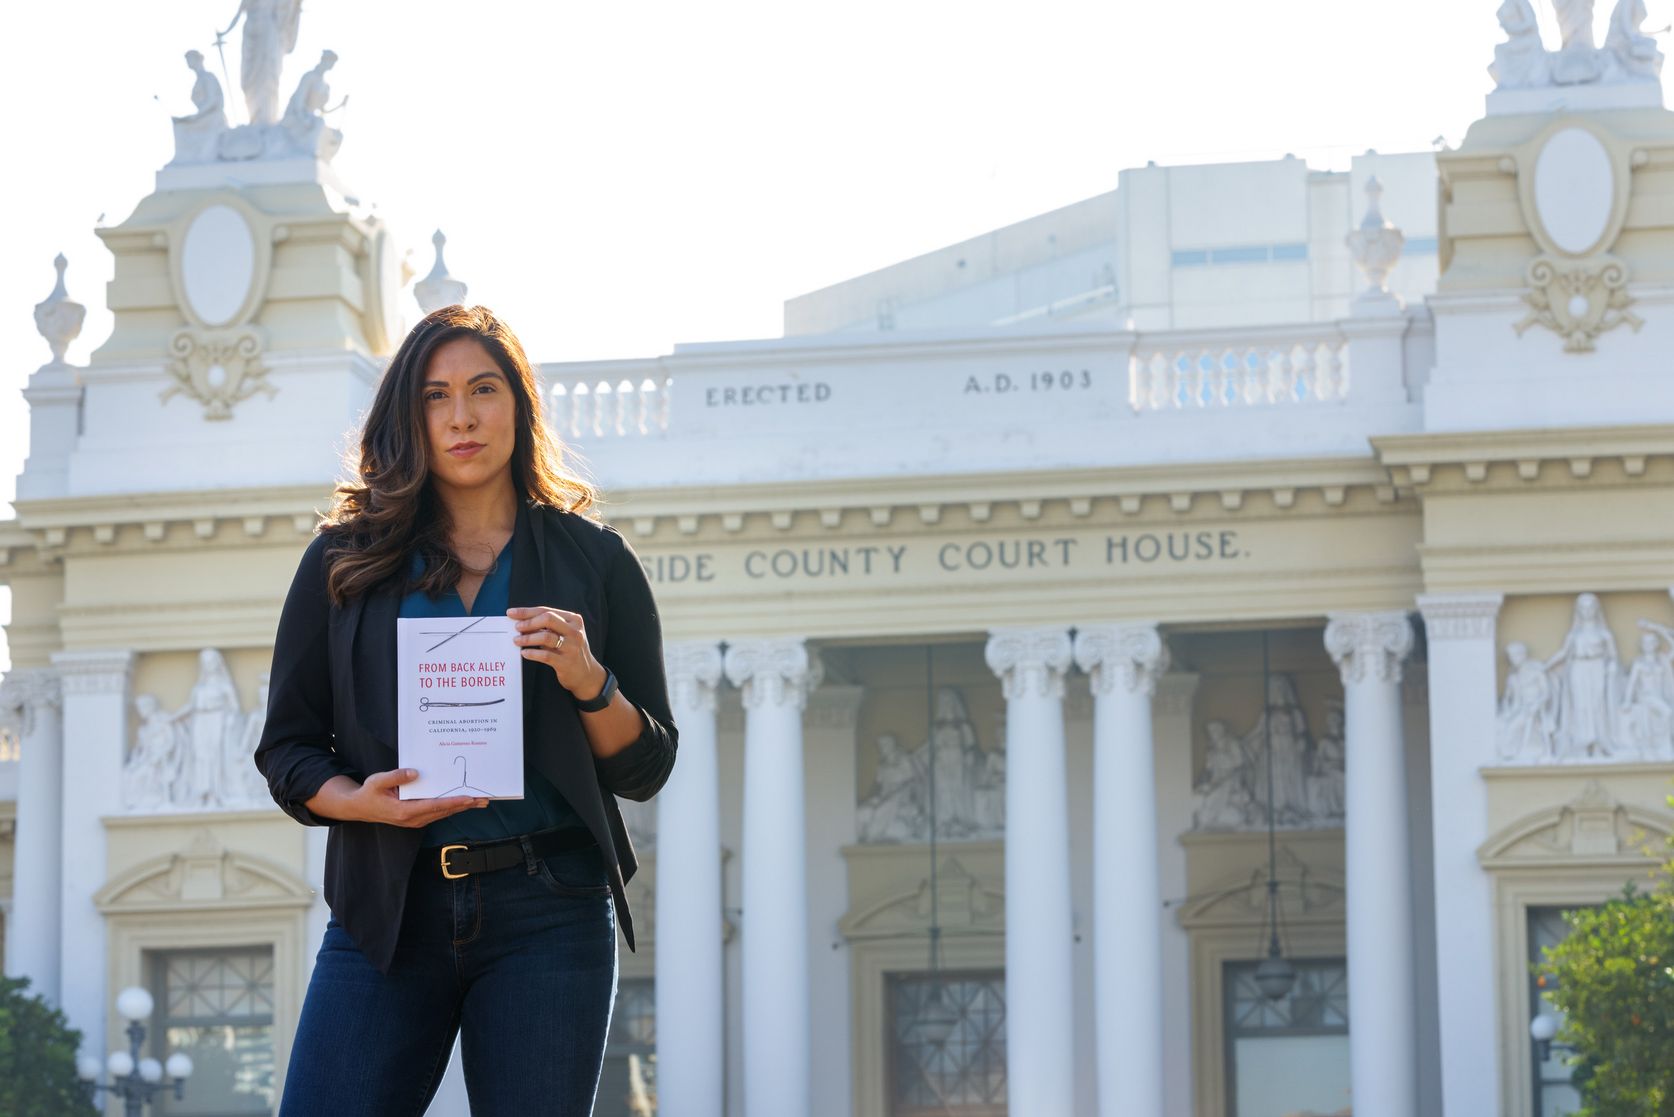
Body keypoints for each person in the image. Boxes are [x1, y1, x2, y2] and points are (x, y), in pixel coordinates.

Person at [255, 304, 678, 1116]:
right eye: (435, 396)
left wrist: (590, 679)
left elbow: (646, 765)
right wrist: (358, 800)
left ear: (518, 405)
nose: (461, 416)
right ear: (409, 417)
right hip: (388, 905)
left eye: (483, 389)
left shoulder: (595, 561)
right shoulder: (344, 562)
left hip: (550, 910)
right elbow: (288, 748)